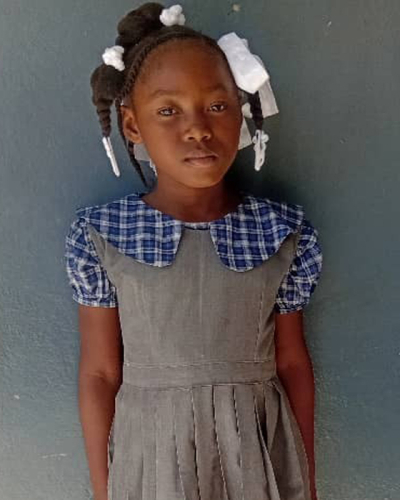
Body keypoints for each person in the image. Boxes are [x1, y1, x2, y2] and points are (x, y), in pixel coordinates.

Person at [65, 3, 323, 500]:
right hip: (151, 459)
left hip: (257, 453)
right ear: (132, 125)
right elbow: (99, 372)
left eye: (218, 106)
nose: (198, 128)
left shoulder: (283, 232)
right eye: (168, 110)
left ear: (241, 111)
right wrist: (103, 490)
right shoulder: (101, 235)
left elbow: (292, 362)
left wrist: (306, 483)